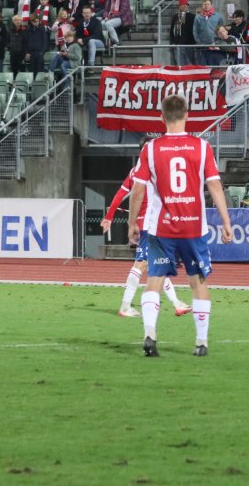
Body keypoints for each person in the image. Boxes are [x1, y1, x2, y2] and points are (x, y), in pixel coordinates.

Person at [127, 94, 234, 357]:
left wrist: (132, 223)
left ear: (161, 117)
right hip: (193, 228)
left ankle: (150, 335)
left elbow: (138, 190)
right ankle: (201, 342)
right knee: (198, 282)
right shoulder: (202, 147)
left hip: (161, 228)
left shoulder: (151, 148)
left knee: (154, 280)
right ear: (187, 115)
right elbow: (214, 185)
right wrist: (226, 221)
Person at [100, 138, 189, 318]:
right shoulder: (155, 170)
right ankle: (125, 306)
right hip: (150, 224)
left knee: (159, 263)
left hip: (146, 223)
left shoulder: (135, 171)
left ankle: (177, 304)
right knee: (142, 264)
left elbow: (120, 194)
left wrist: (109, 216)